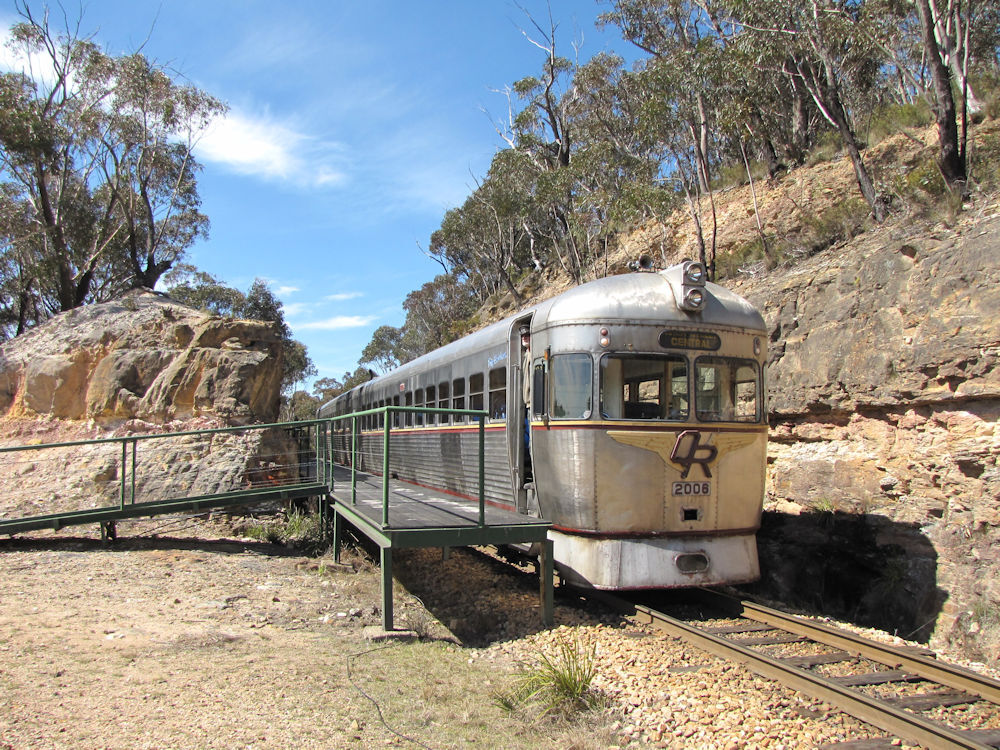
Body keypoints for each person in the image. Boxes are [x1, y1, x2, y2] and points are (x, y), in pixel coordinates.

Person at [520, 325, 533, 482]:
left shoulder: (534, 354)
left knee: (531, 443)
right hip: (525, 404)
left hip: (532, 405)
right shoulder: (524, 355)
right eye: (523, 335)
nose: (525, 337)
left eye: (528, 334)